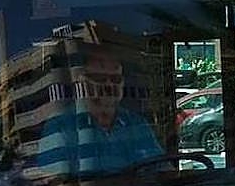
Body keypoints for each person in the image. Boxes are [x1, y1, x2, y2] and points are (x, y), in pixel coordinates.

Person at [35, 46, 163, 178]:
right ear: (82, 82)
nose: (109, 85)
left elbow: (161, 172)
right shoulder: (60, 126)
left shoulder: (136, 123)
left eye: (115, 79)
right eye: (99, 78)